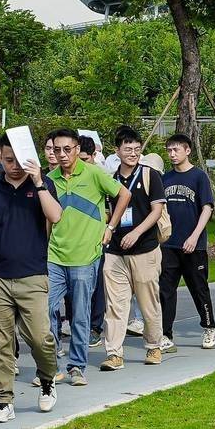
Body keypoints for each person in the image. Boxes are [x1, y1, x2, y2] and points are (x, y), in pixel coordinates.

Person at [0, 135, 63, 421]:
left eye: (18, 161)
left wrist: (37, 181)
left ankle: (47, 379)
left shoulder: (43, 184)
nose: (13, 166)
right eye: (8, 160)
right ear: (0, 156)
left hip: (33, 276)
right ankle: (3, 400)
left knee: (40, 338)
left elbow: (56, 216)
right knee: (0, 342)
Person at [42, 129, 122, 383]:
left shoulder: (94, 173)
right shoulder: (49, 179)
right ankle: (51, 365)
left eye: (67, 149)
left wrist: (110, 228)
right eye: (57, 150)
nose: (62, 154)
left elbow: (124, 194)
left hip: (86, 255)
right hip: (54, 255)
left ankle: (77, 366)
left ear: (77, 149)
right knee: (46, 310)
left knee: (79, 313)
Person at [101, 129, 165, 367]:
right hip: (115, 251)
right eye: (127, 149)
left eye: (137, 149)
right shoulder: (110, 178)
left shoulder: (150, 175)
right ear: (117, 151)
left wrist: (137, 232)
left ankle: (153, 346)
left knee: (149, 303)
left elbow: (156, 210)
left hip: (145, 249)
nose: (133, 153)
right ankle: (114, 353)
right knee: (115, 305)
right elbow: (108, 209)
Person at [157, 132, 215, 347]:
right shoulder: (165, 178)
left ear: (187, 150)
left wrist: (194, 236)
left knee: (199, 288)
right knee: (166, 290)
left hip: (194, 245)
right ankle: (165, 334)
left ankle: (209, 327)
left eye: (176, 150)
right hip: (169, 245)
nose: (172, 154)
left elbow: (207, 208)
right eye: (169, 150)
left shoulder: (199, 177)